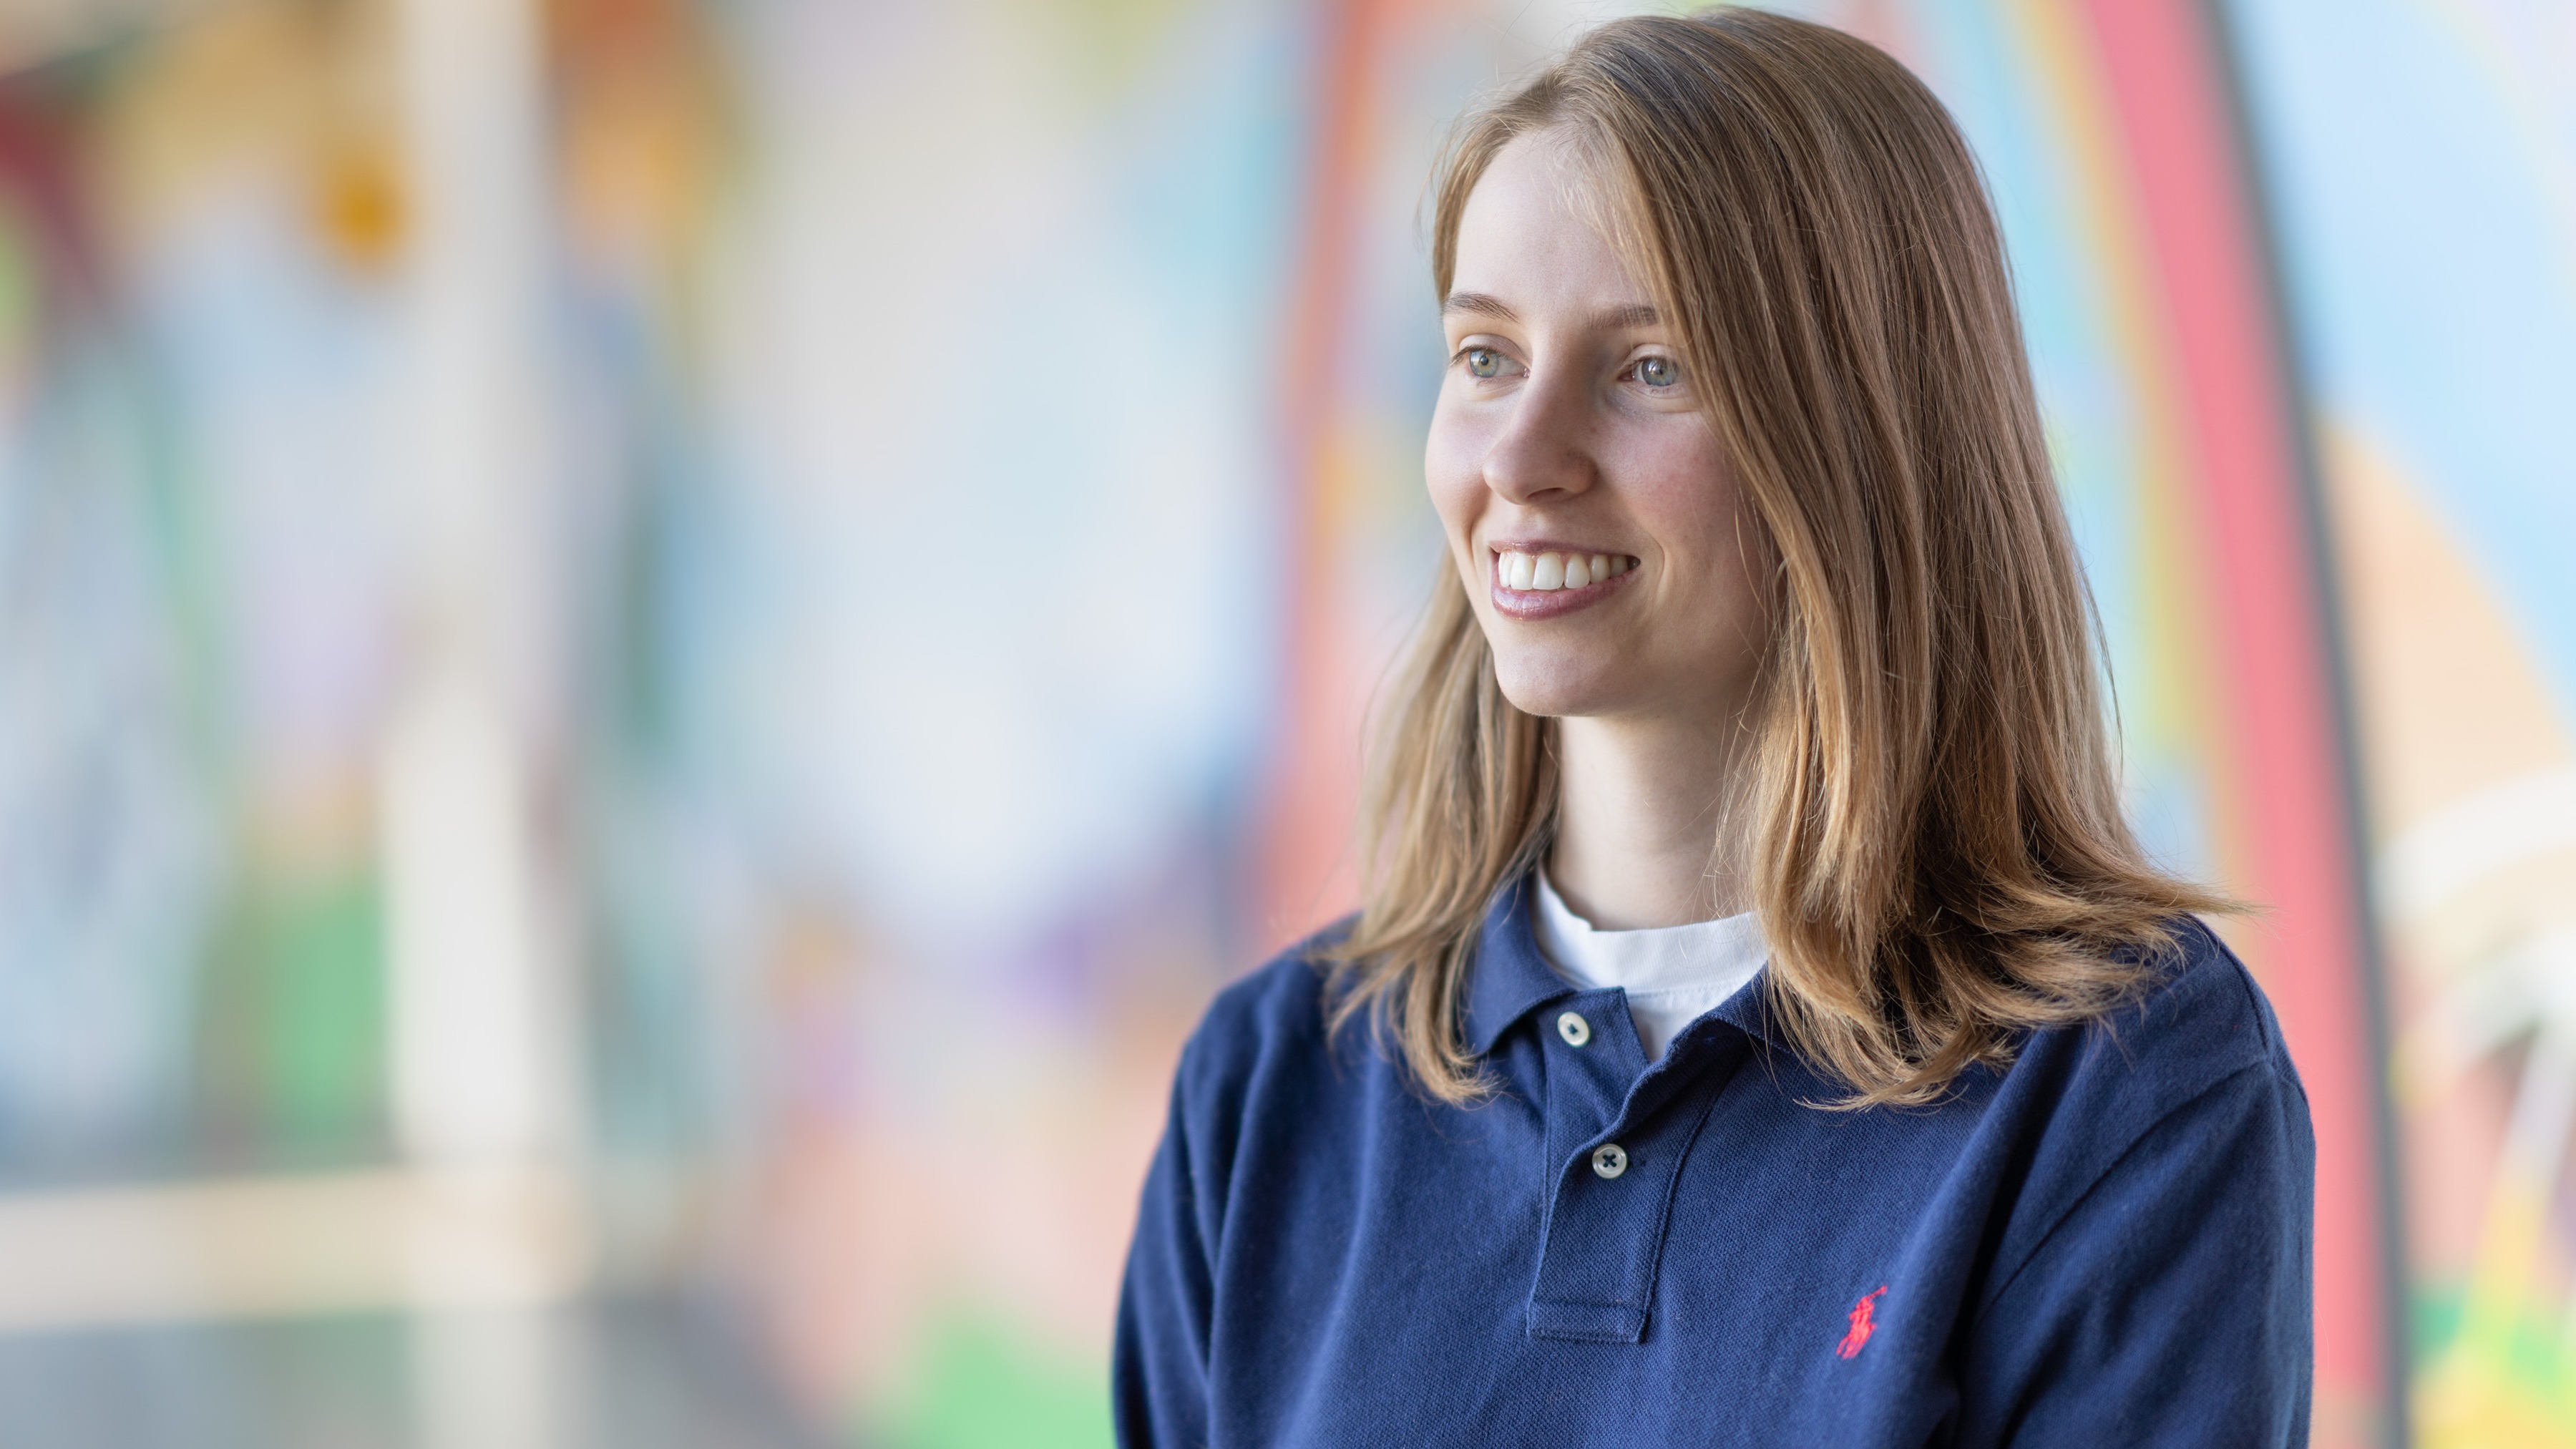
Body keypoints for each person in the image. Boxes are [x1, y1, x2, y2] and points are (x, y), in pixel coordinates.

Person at [1114, 10, 2313, 1445]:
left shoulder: (2123, 1083)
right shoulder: (1268, 1088)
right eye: (1485, 356)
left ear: (1865, 438)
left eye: (1650, 367)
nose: (1520, 456)